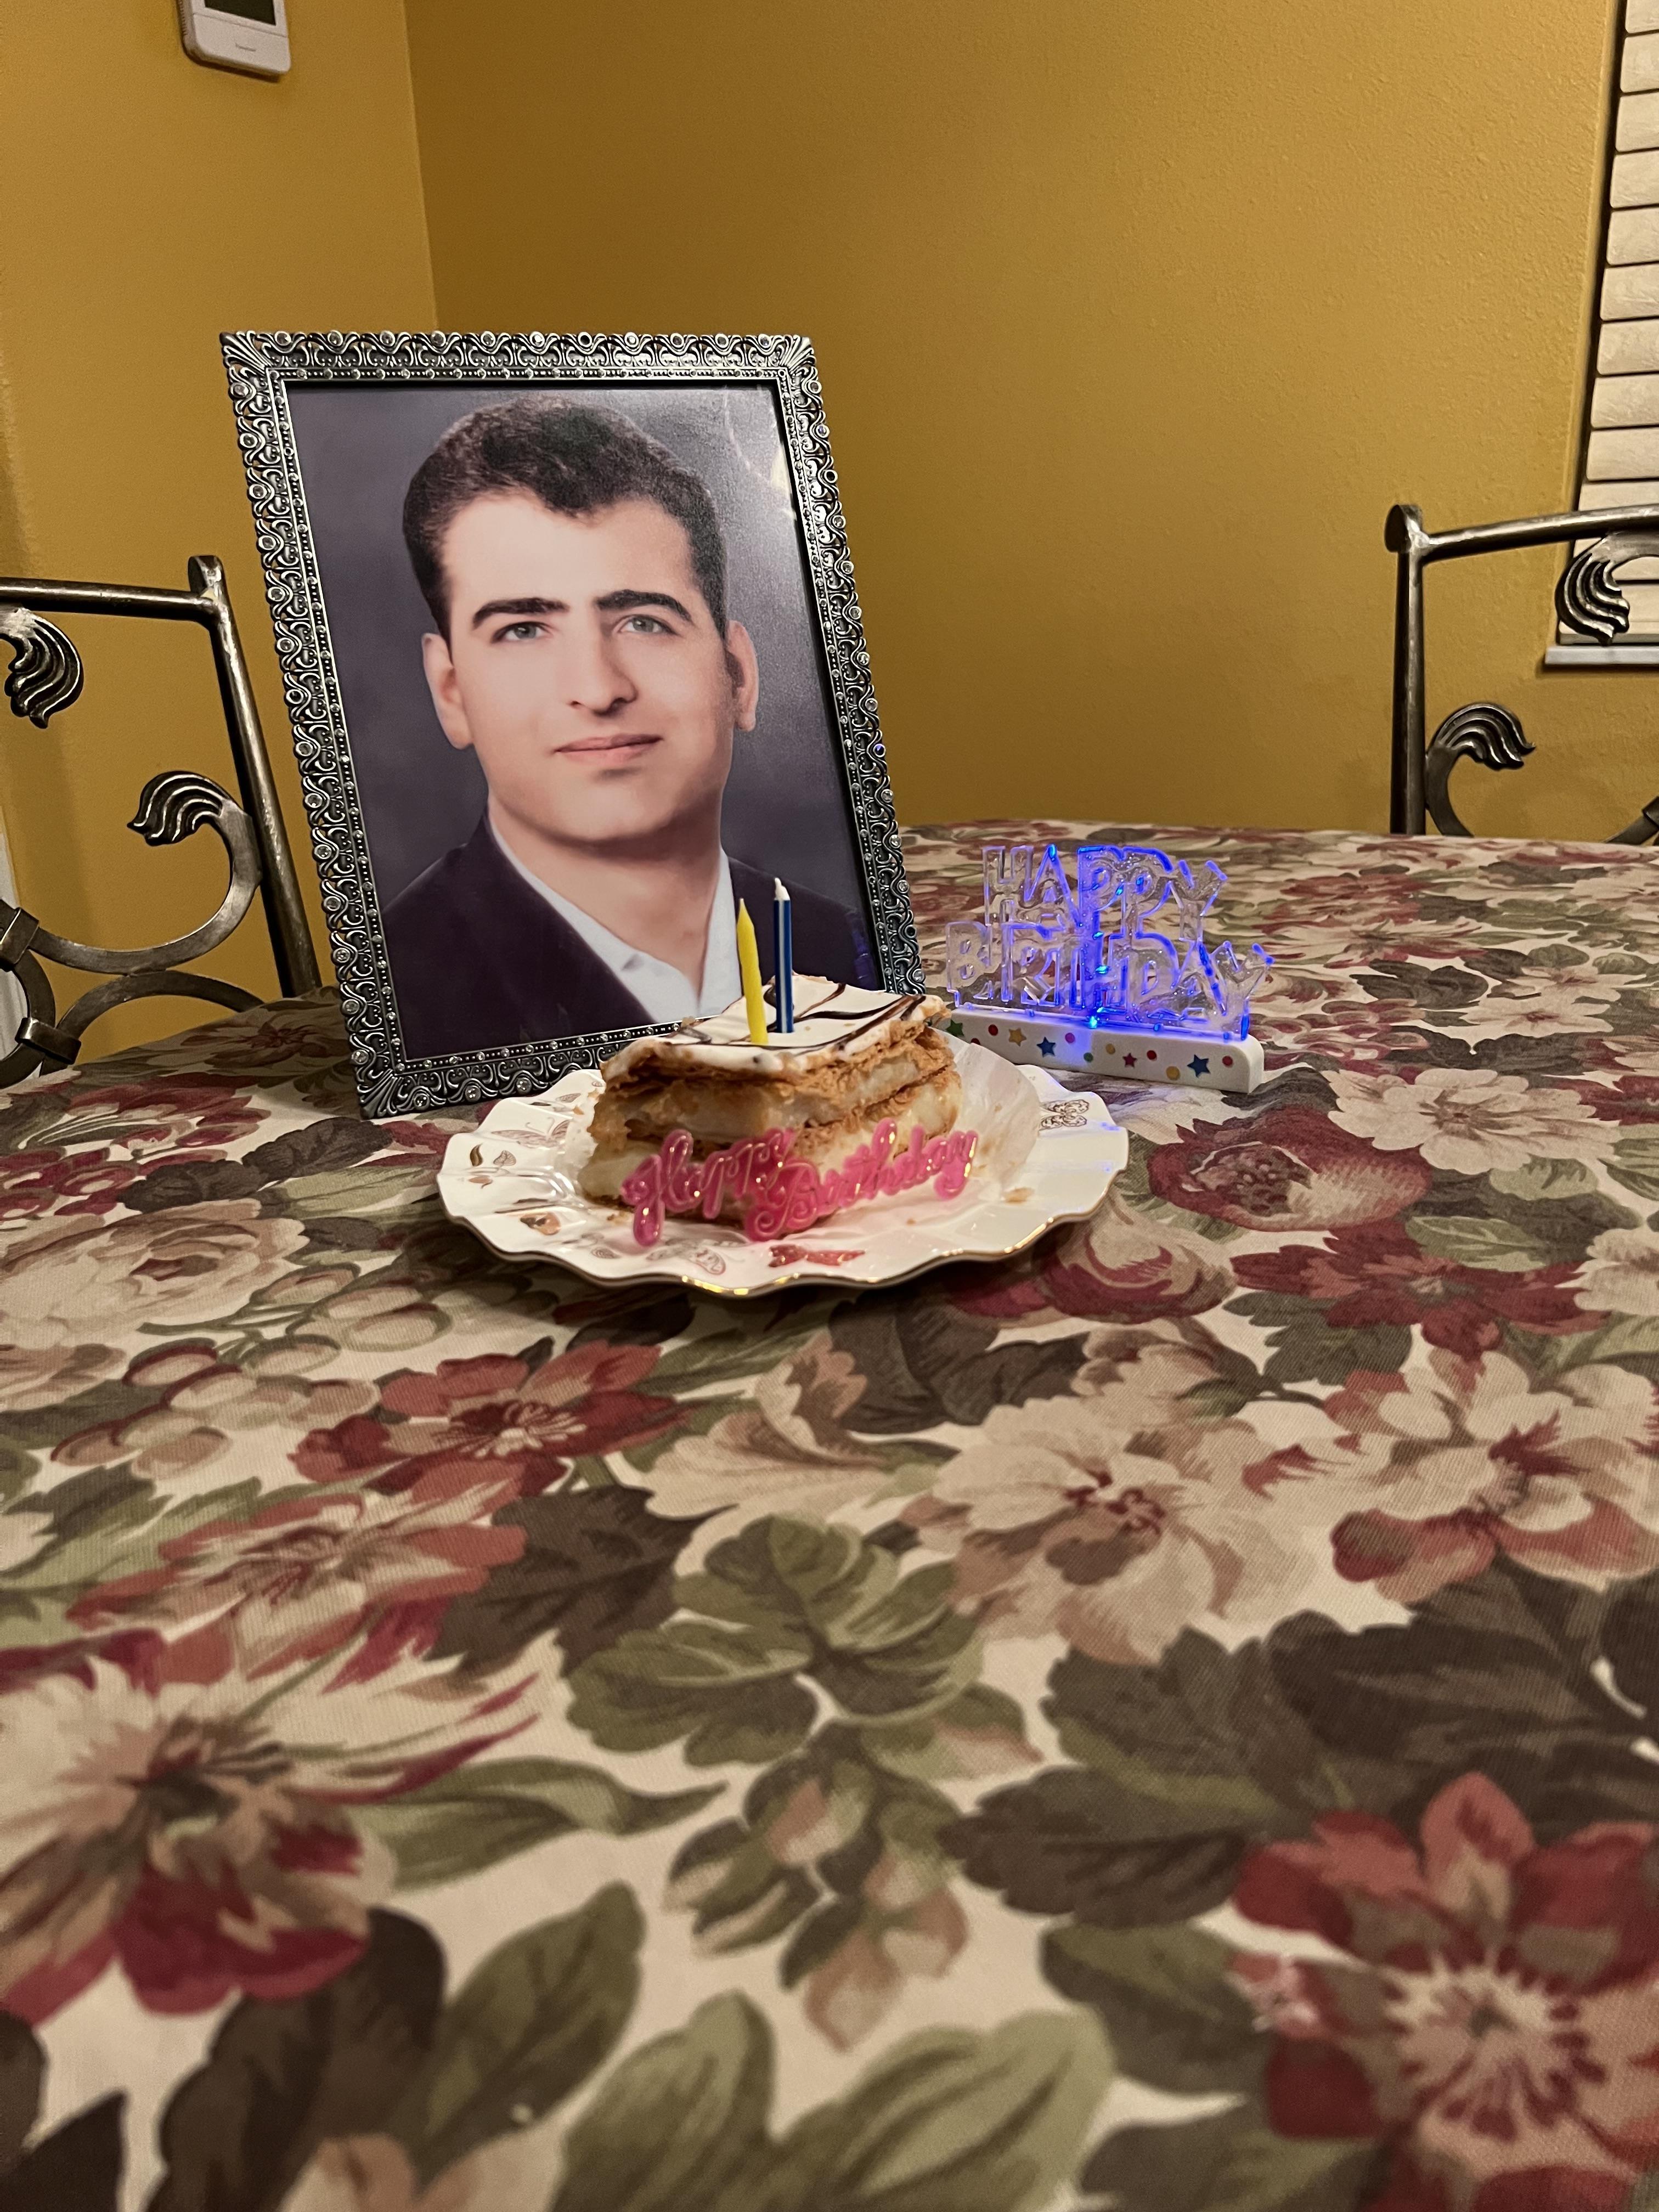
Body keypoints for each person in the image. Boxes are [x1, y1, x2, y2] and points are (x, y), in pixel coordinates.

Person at [384, 396, 876, 1057]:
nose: (598, 689)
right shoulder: (408, 998)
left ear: (737, 674)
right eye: (524, 630)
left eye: (644, 622)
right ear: (451, 692)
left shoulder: (849, 952)